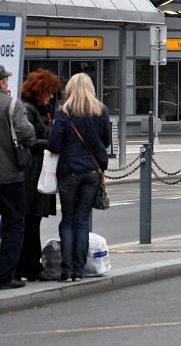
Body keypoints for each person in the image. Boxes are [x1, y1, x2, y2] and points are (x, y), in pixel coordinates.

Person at [46, 73, 110, 282]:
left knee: (68, 220)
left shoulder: (64, 112)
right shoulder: (101, 110)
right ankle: (80, 270)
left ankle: (67, 270)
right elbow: (106, 142)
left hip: (68, 172)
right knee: (82, 221)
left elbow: (54, 145)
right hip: (92, 172)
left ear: (70, 89)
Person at [16, 69, 61, 282]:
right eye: (49, 92)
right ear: (40, 91)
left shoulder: (40, 110)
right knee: (30, 222)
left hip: (37, 173)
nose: (51, 96)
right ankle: (30, 266)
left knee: (32, 222)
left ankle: (29, 265)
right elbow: (31, 140)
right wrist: (53, 145)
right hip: (32, 174)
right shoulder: (28, 110)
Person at [0, 64, 37, 290]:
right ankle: (4, 275)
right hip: (9, 176)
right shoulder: (13, 105)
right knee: (14, 223)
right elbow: (27, 134)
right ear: (2, 82)